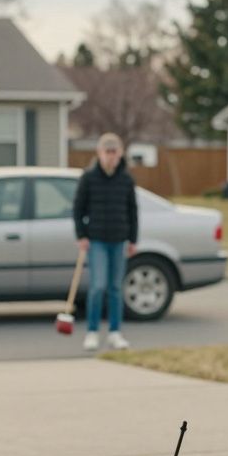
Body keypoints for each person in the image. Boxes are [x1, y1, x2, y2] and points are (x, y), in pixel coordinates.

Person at [73, 132, 138, 351]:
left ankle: (115, 332)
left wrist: (133, 239)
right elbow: (78, 208)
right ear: (99, 154)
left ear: (120, 154)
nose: (111, 157)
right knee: (98, 286)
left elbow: (132, 210)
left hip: (119, 239)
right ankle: (92, 331)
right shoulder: (89, 178)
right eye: (107, 152)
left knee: (115, 288)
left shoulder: (126, 179)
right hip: (97, 240)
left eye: (114, 152)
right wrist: (81, 235)